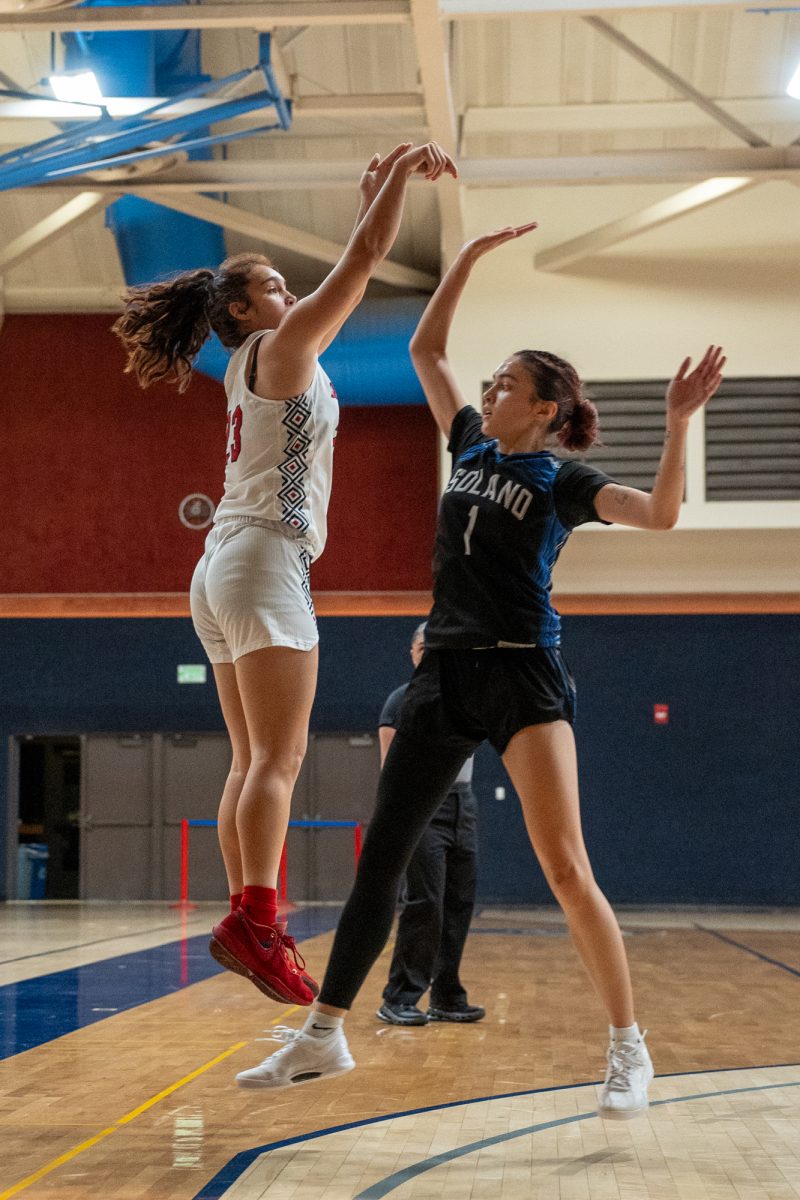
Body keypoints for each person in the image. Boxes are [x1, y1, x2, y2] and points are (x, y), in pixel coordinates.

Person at [232, 221, 725, 1119]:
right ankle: (324, 1033)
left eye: (509, 383)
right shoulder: (468, 444)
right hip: (444, 674)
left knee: (566, 867)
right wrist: (461, 262)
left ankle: (628, 1048)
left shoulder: (563, 481)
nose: (491, 388)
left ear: (545, 408)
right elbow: (426, 346)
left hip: (526, 678)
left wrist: (678, 422)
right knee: (381, 856)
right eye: (491, 378)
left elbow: (659, 515)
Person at [112, 141, 457, 1008]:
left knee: (251, 757)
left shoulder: (250, 365)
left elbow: (353, 259)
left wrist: (374, 183)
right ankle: (258, 922)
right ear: (240, 308)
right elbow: (366, 261)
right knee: (280, 755)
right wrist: (394, 182)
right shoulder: (281, 348)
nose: (290, 291)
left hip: (223, 564)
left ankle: (248, 916)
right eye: (272, 283)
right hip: (265, 556)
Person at [377, 622, 484, 1026]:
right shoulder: (399, 702)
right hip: (419, 806)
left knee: (459, 902)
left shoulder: (465, 699)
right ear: (413, 652)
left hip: (463, 804)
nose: (432, 654)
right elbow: (390, 770)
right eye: (425, 647)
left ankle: (446, 994)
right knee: (426, 902)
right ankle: (399, 997)